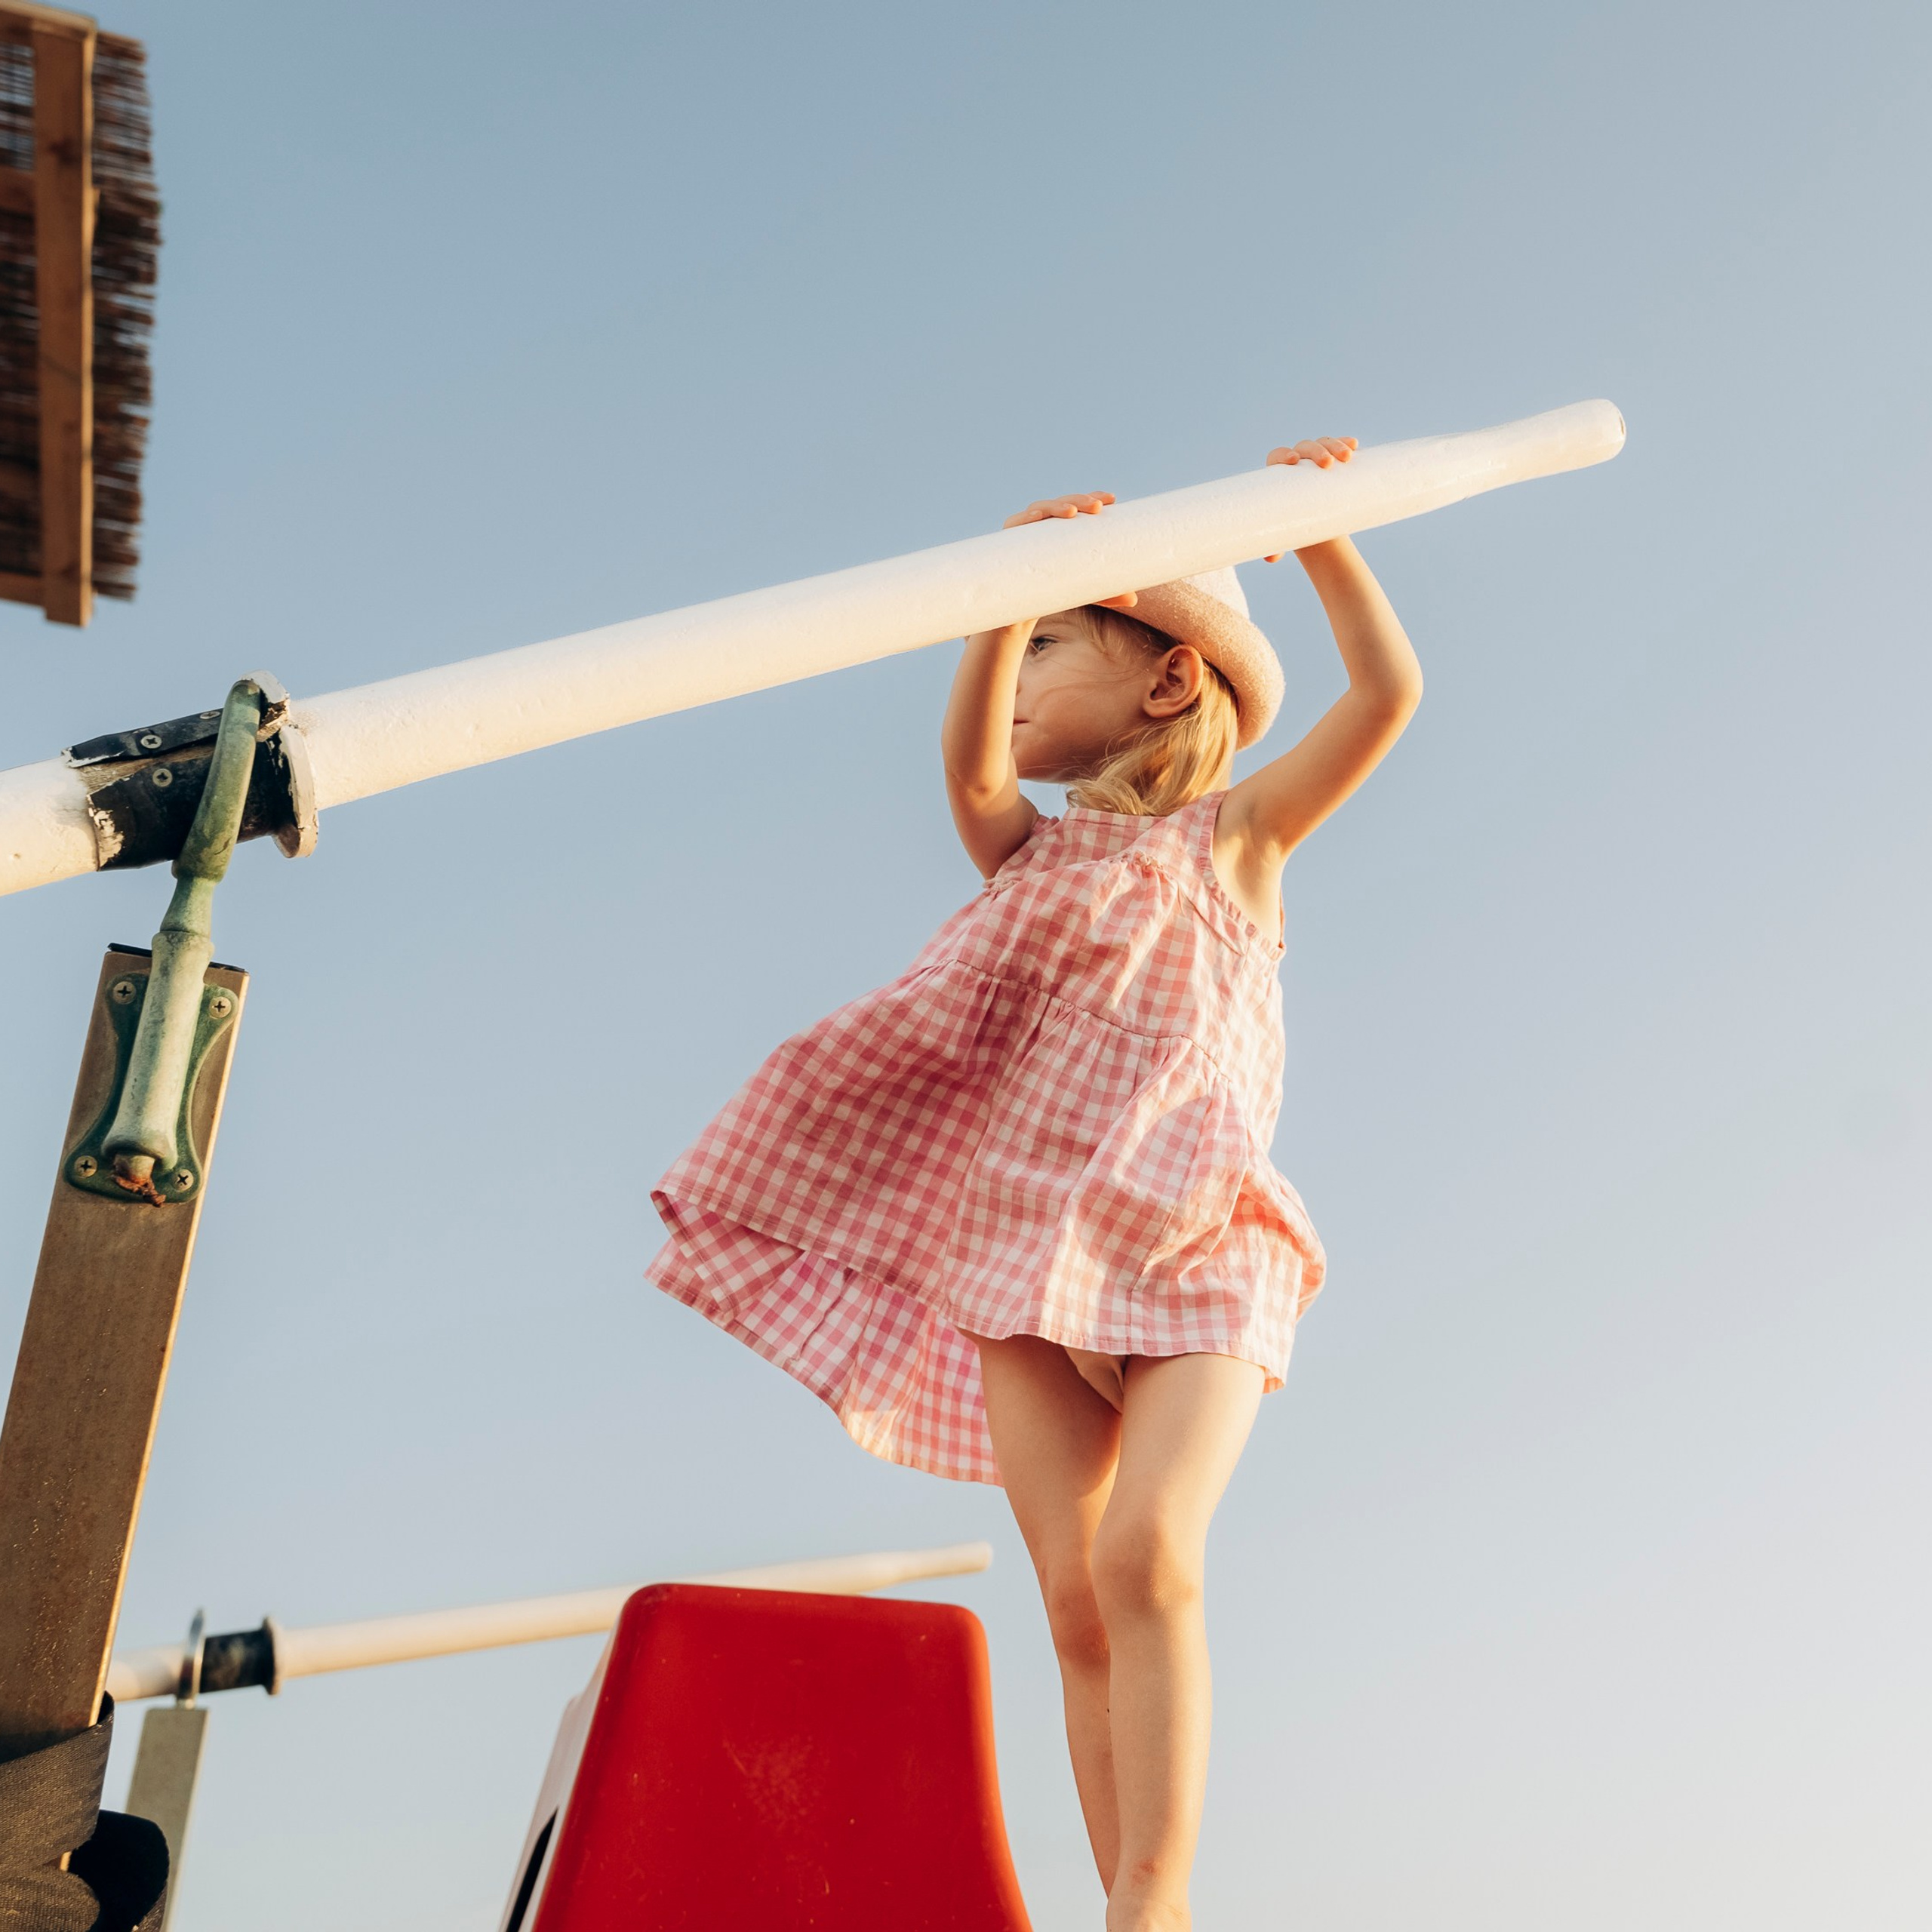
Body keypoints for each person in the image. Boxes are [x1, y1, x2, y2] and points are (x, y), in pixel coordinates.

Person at [648, 434, 1421, 1931]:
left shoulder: (1237, 842)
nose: (1009, 682)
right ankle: (1114, 1895)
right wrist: (1002, 597)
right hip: (1023, 1259)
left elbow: (1385, 698)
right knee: (1074, 1602)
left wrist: (1323, 532)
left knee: (1146, 1550)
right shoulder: (1021, 856)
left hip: (1197, 1241)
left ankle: (1157, 1894)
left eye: (1050, 647)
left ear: (1169, 675)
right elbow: (969, 767)